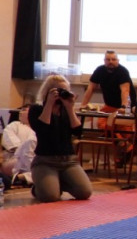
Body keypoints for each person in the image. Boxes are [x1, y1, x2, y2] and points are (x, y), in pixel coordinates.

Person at [28, 75, 93, 203]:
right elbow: (42, 129)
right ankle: (40, 187)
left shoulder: (66, 110)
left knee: (84, 192)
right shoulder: (36, 109)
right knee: (50, 197)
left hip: (69, 161)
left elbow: (78, 132)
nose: (62, 94)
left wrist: (70, 107)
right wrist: (49, 103)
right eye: (59, 91)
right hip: (45, 161)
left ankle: (55, 182)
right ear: (48, 91)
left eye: (65, 91)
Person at [1, 104, 37, 187]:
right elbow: (13, 145)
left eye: (24, 110)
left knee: (45, 168)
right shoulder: (14, 125)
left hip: (35, 159)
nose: (20, 112)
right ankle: (24, 177)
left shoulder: (39, 128)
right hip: (16, 158)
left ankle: (21, 178)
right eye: (20, 110)